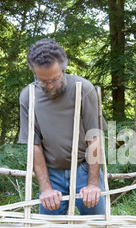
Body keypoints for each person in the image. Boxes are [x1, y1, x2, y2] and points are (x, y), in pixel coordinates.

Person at [18, 38, 105, 215]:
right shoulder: (29, 96)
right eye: (42, 81)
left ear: (63, 69)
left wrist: (93, 184)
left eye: (54, 79)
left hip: (83, 168)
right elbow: (34, 145)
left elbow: (94, 138)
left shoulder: (84, 89)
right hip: (51, 173)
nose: (49, 86)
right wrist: (46, 188)